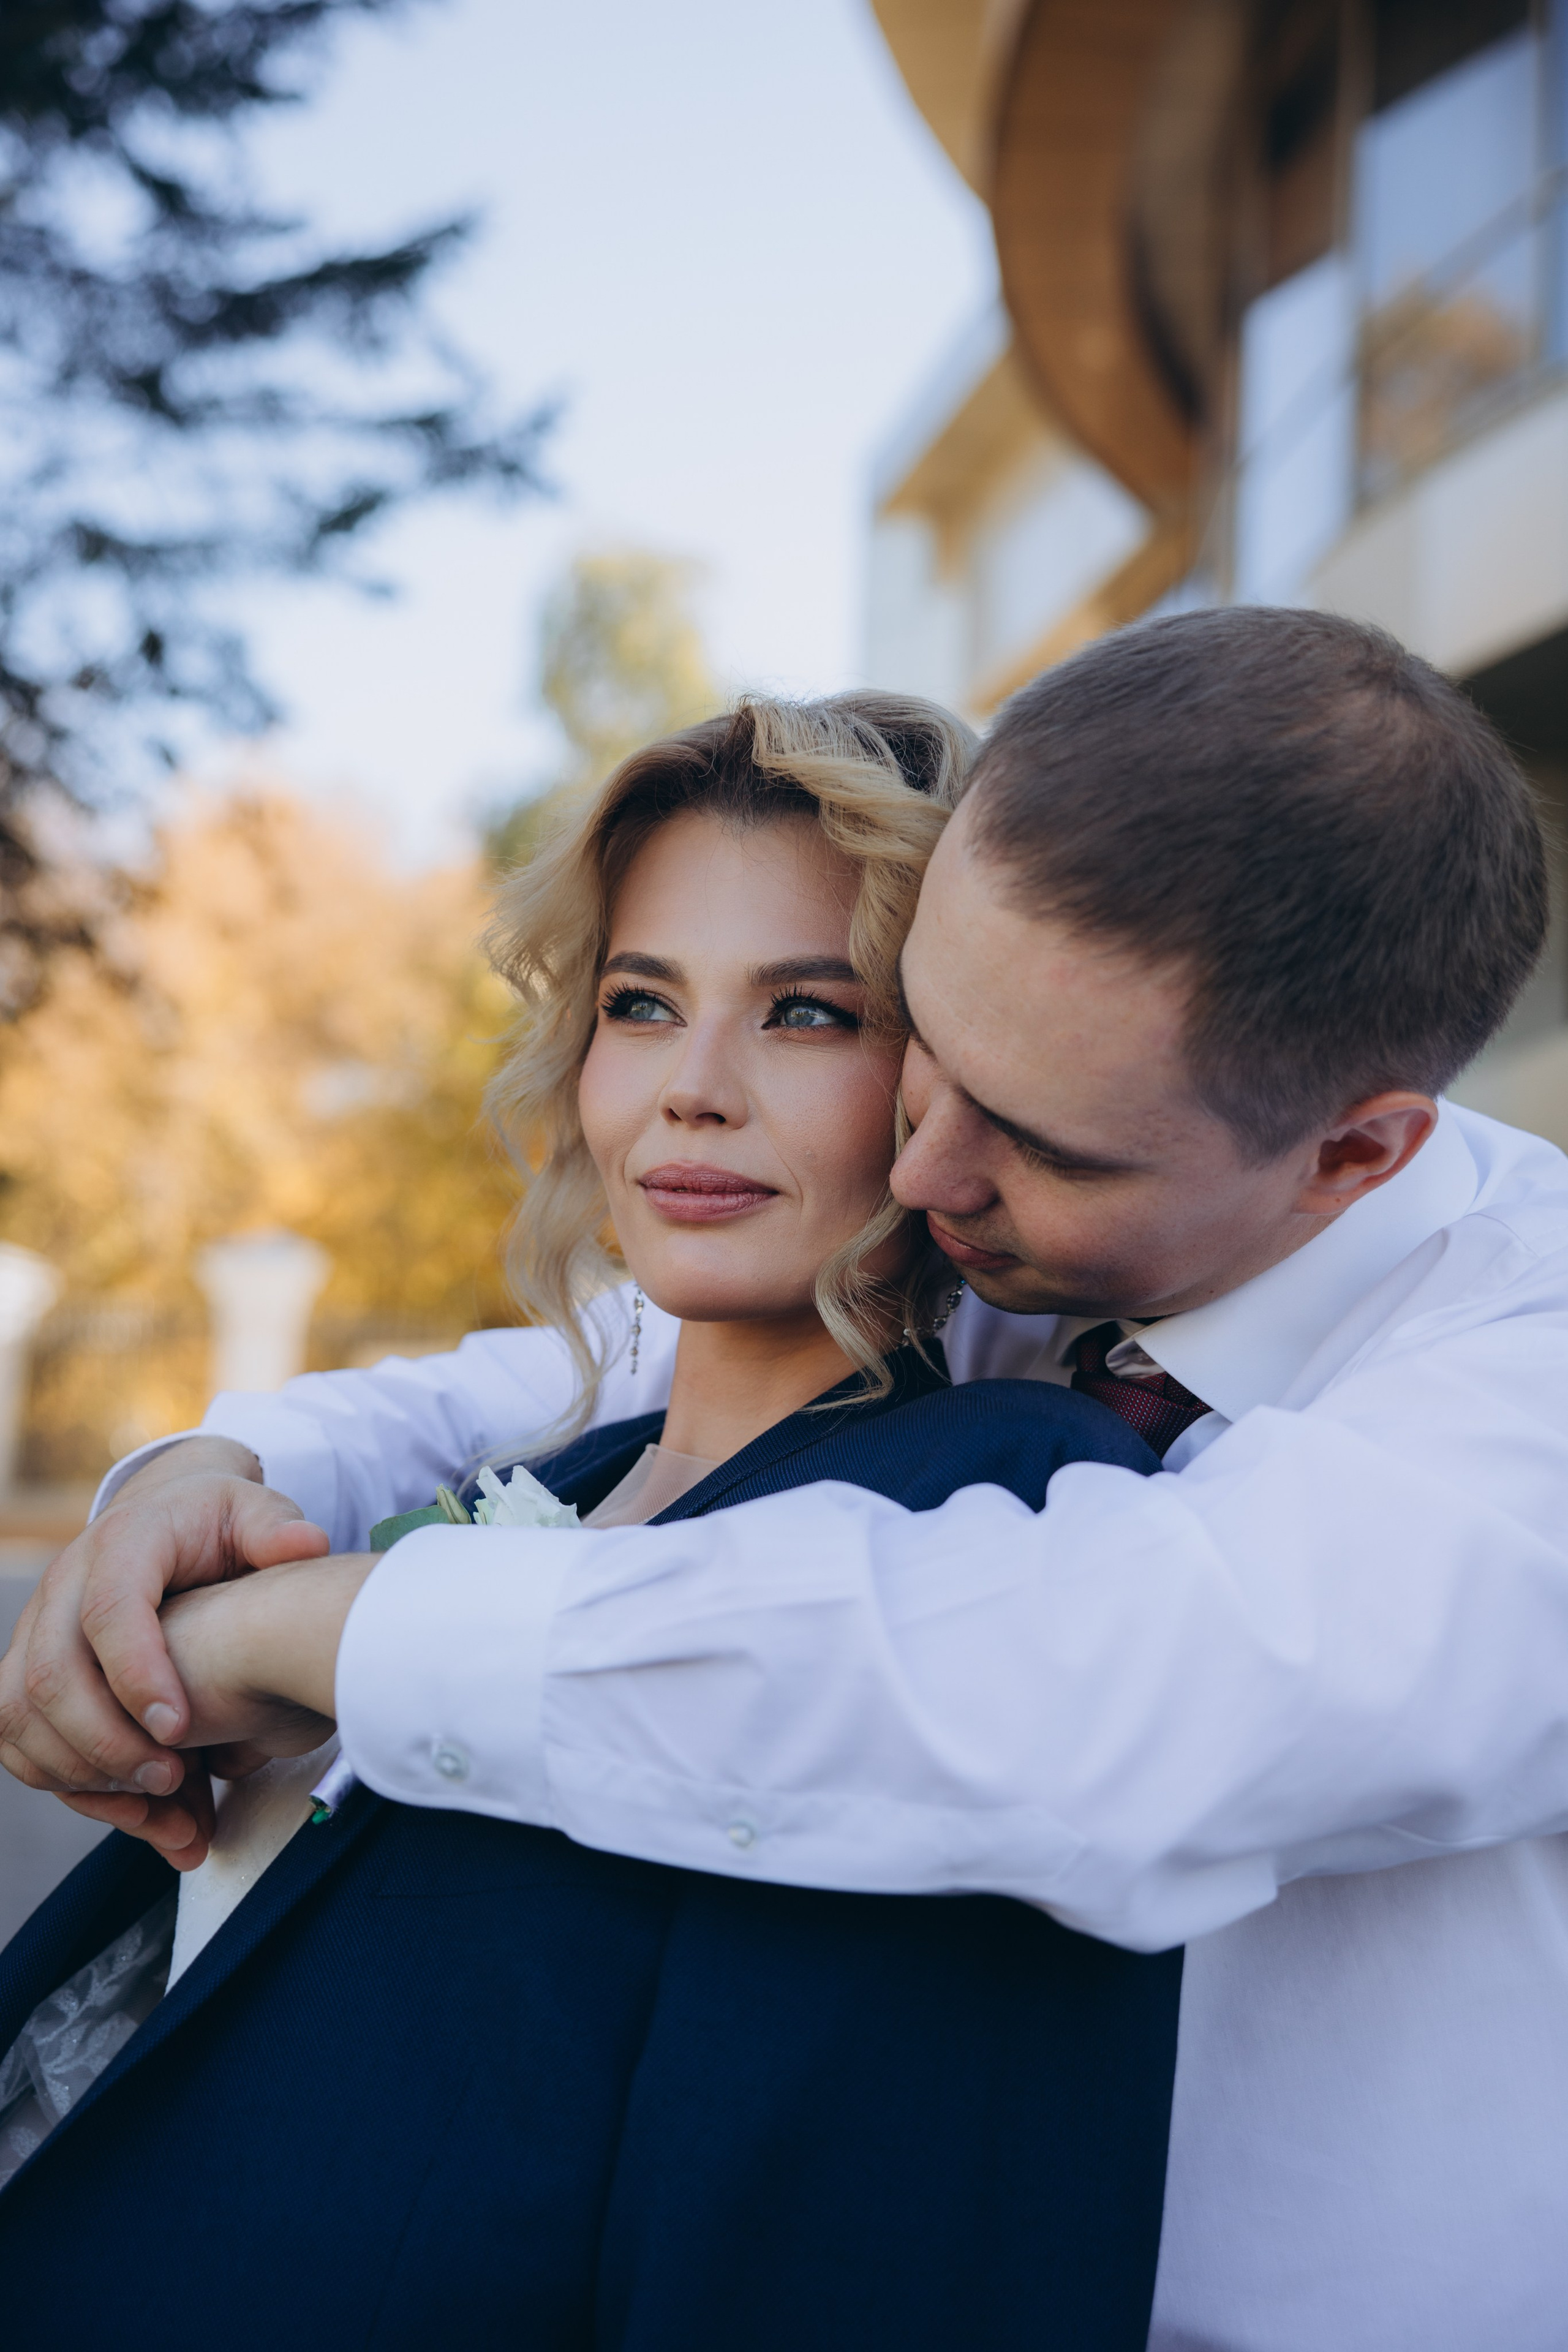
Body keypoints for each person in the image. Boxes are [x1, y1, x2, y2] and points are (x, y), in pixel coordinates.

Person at [7, 611, 1568, 2350]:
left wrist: (315, 1632)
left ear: (1355, 1153)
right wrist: (216, 1468)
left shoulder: (1525, 1392)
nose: (924, 1164)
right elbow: (574, 1371)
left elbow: (1066, 1690)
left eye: (1030, 1137)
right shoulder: (1034, 1220)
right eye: (923, 1048)